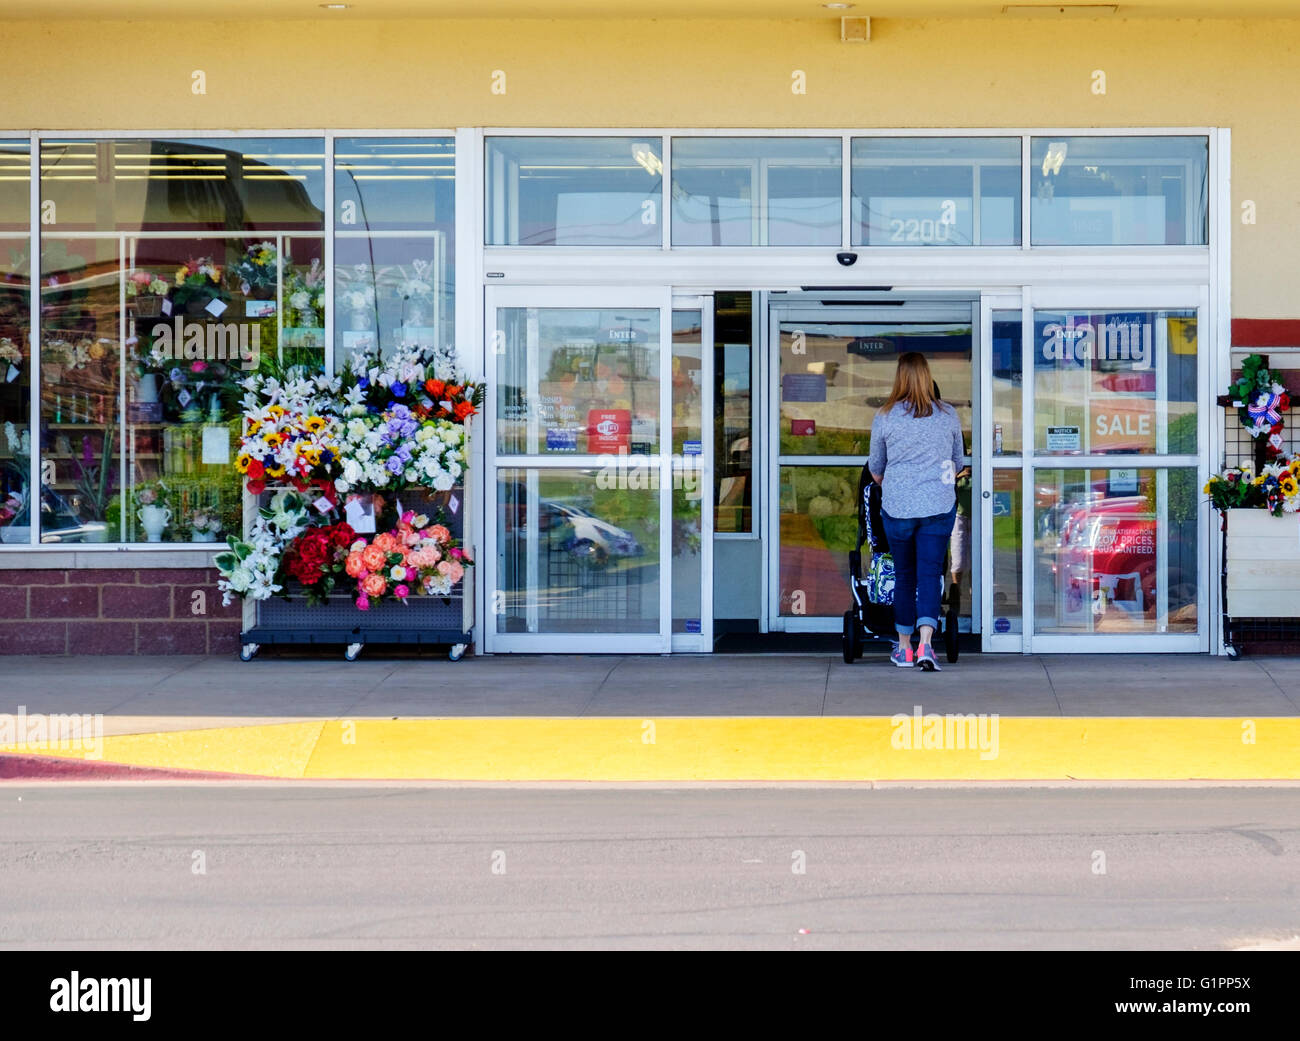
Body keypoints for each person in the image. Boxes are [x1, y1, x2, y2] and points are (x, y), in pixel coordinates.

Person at [868, 352, 965, 671]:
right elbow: (959, 462)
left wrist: (896, 480)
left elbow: (876, 468)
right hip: (938, 506)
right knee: (930, 574)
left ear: (900, 378)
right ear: (927, 377)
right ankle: (927, 645)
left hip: (898, 508)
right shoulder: (948, 414)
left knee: (906, 576)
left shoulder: (885, 416)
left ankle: (905, 649)